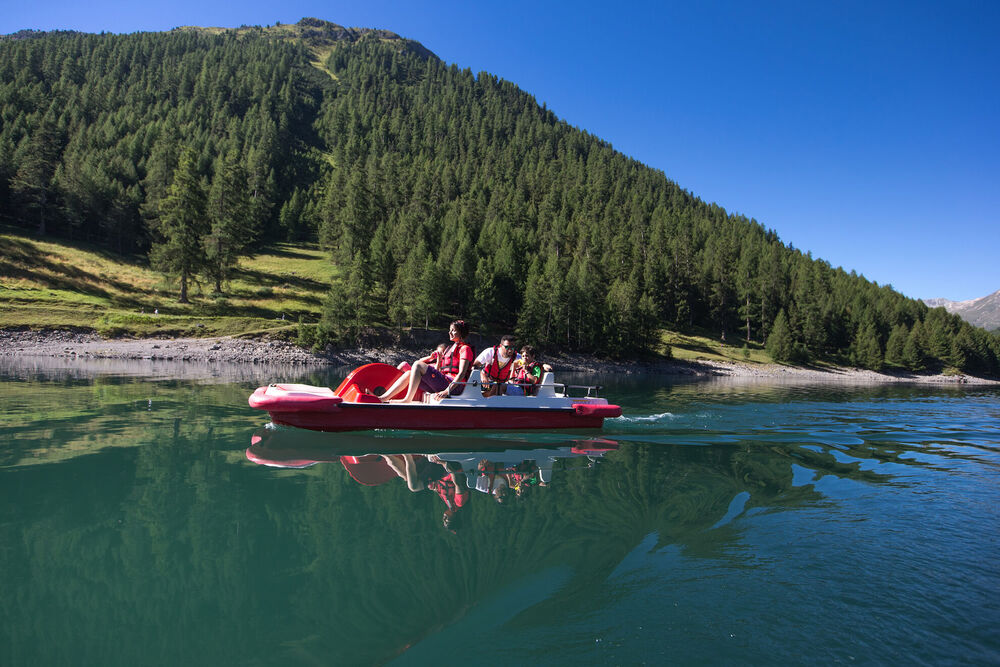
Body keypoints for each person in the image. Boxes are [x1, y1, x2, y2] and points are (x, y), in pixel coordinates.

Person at [379, 320, 474, 403]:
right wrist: (439, 361)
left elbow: (461, 374)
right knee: (409, 373)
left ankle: (407, 399)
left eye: (453, 330)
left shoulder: (465, 349)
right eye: (450, 330)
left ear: (461, 332)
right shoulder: (450, 348)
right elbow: (440, 372)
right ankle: (383, 398)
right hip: (445, 382)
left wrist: (446, 391)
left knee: (418, 365)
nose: (450, 332)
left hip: (455, 387)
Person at [381, 454, 469, 529]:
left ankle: (385, 454)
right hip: (443, 468)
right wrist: (444, 464)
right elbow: (458, 482)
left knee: (408, 478)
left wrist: (434, 487)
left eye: (444, 521)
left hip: (437, 470)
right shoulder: (459, 502)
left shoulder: (450, 504)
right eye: (447, 520)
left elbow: (444, 488)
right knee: (414, 487)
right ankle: (406, 454)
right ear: (455, 517)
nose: (444, 518)